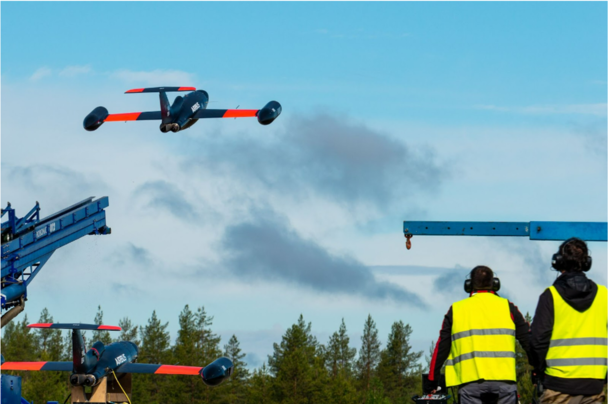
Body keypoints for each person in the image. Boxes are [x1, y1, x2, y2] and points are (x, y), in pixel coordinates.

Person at [429, 265, 531, 404]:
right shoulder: (508, 307)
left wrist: (432, 380)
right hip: (504, 384)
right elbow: (529, 341)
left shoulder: (457, 310)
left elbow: (442, 347)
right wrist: (539, 369)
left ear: (469, 285)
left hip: (470, 384)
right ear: (495, 284)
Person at [530, 238, 607, 404]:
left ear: (558, 262)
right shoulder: (604, 295)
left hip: (558, 386)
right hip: (594, 387)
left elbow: (538, 340)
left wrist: (539, 369)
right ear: (587, 262)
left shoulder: (551, 295)